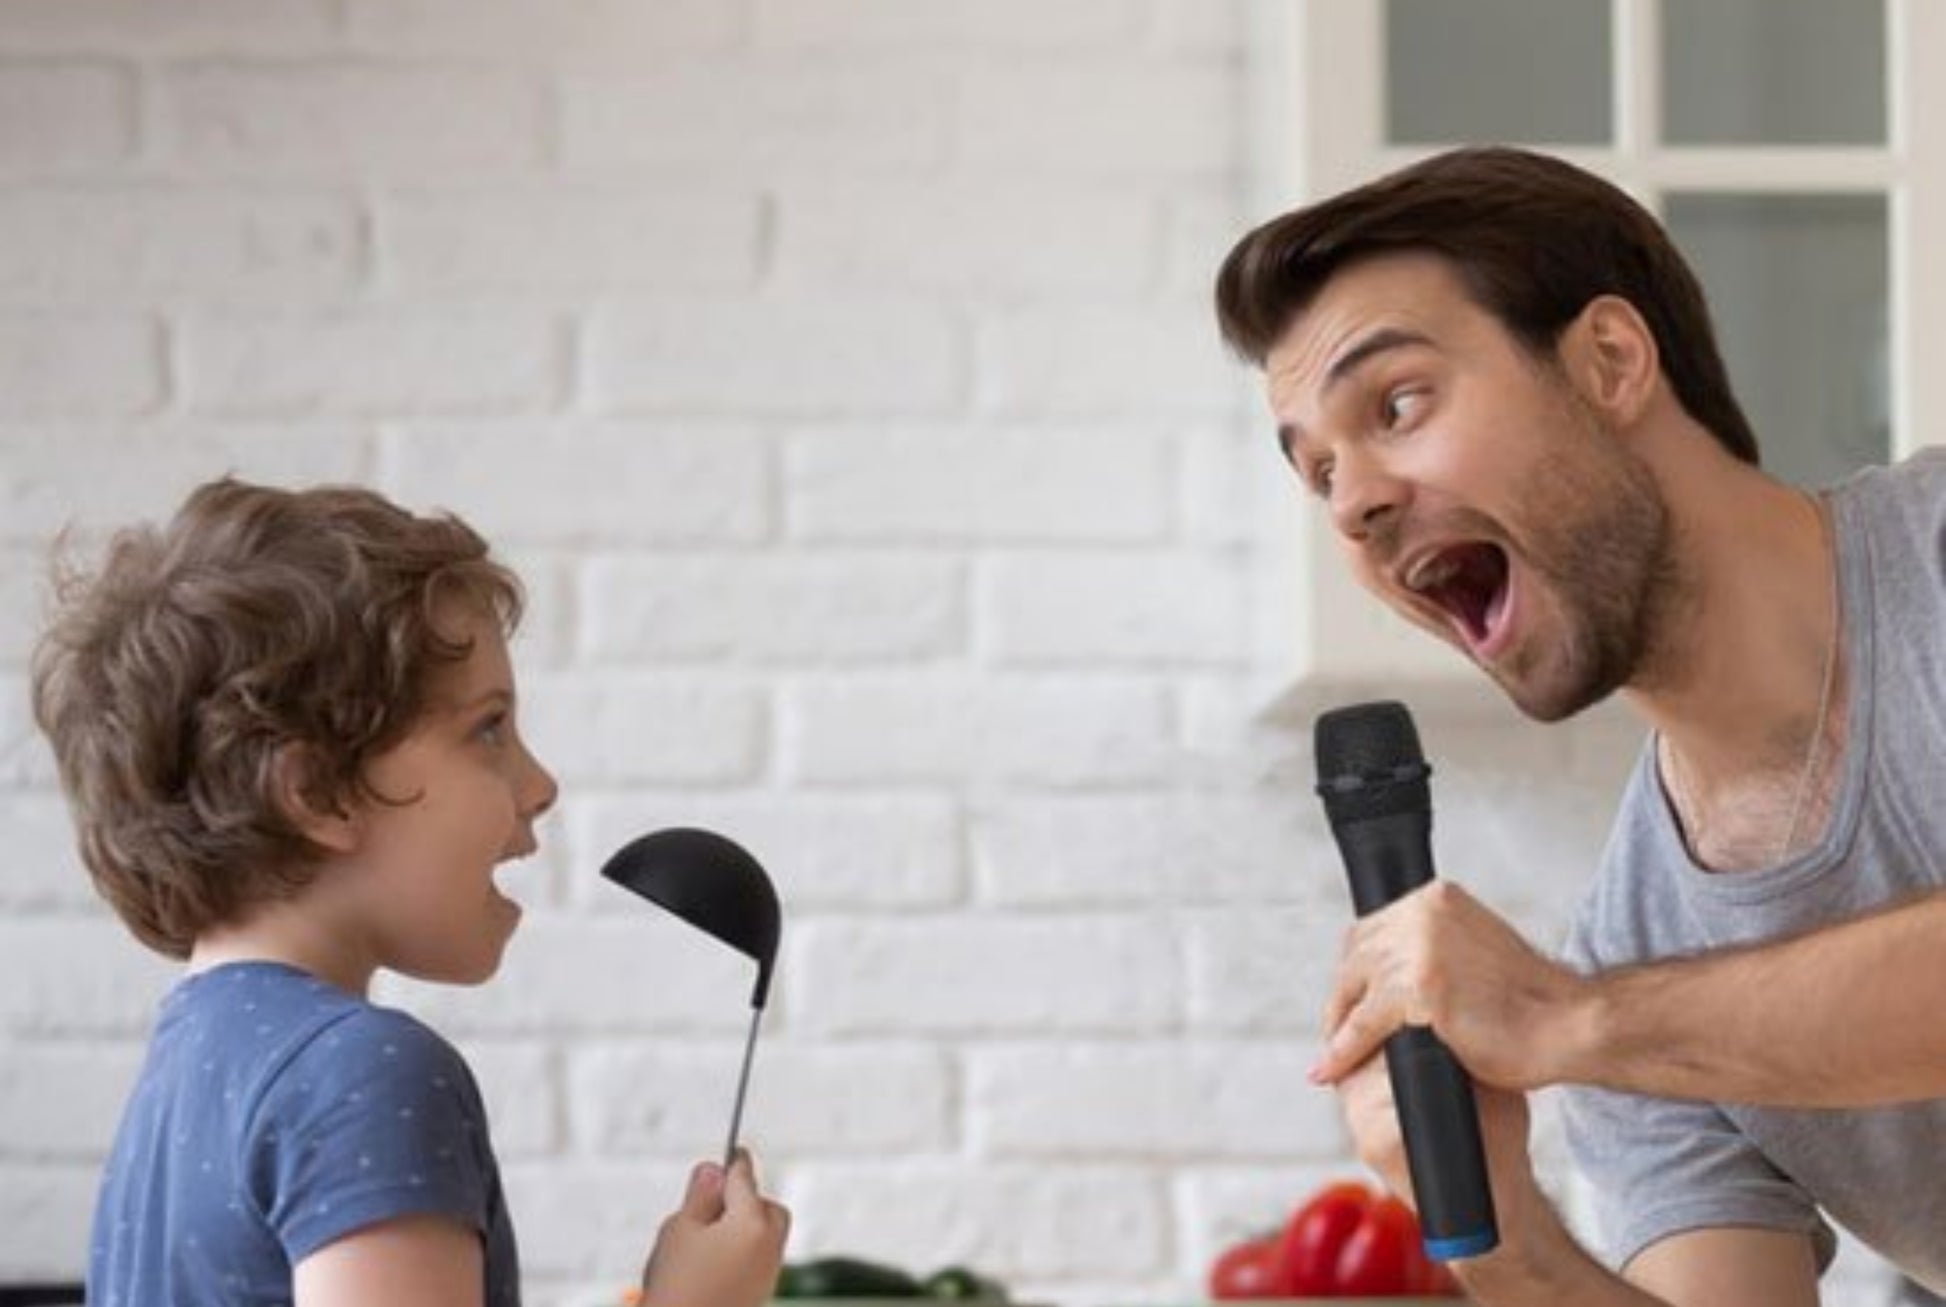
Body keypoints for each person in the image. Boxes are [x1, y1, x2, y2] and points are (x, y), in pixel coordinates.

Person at [1214, 145, 1946, 1306]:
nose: (1351, 502)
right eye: (1316, 474)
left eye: (1394, 404)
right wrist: (1507, 1242)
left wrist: (1576, 1020)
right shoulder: (1631, 960)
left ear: (1609, 359)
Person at [30, 478, 791, 1307]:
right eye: (488, 729)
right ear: (317, 791)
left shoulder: (187, 1071)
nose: (539, 784)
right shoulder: (361, 1073)